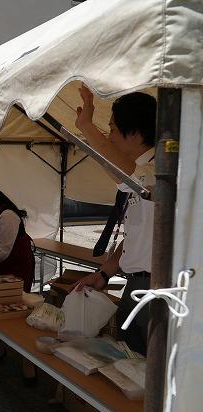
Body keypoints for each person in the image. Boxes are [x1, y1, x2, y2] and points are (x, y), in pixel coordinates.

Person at [73, 85, 157, 356]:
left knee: (147, 372)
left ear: (133, 132)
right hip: (136, 284)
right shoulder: (137, 177)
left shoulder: (161, 171)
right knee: (131, 363)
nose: (109, 136)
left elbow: (127, 174)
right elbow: (133, 238)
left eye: (111, 128)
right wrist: (104, 272)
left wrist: (86, 126)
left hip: (158, 289)